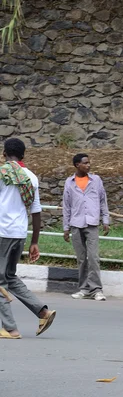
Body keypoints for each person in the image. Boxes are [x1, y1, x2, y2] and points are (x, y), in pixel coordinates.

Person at [0, 138, 56, 339]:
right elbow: (36, 211)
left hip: (2, 233)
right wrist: (34, 241)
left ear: (4, 154)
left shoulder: (2, 172)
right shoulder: (31, 177)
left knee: (0, 281)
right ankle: (43, 312)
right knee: (9, 277)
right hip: (19, 233)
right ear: (23, 155)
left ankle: (10, 328)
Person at [62, 153, 110, 301]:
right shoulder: (69, 182)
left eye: (89, 163)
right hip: (76, 224)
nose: (89, 165)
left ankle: (96, 289)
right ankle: (84, 288)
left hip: (92, 223)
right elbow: (66, 206)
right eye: (85, 163)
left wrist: (106, 220)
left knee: (93, 257)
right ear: (77, 165)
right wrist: (66, 227)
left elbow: (103, 200)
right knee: (81, 258)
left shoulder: (96, 180)